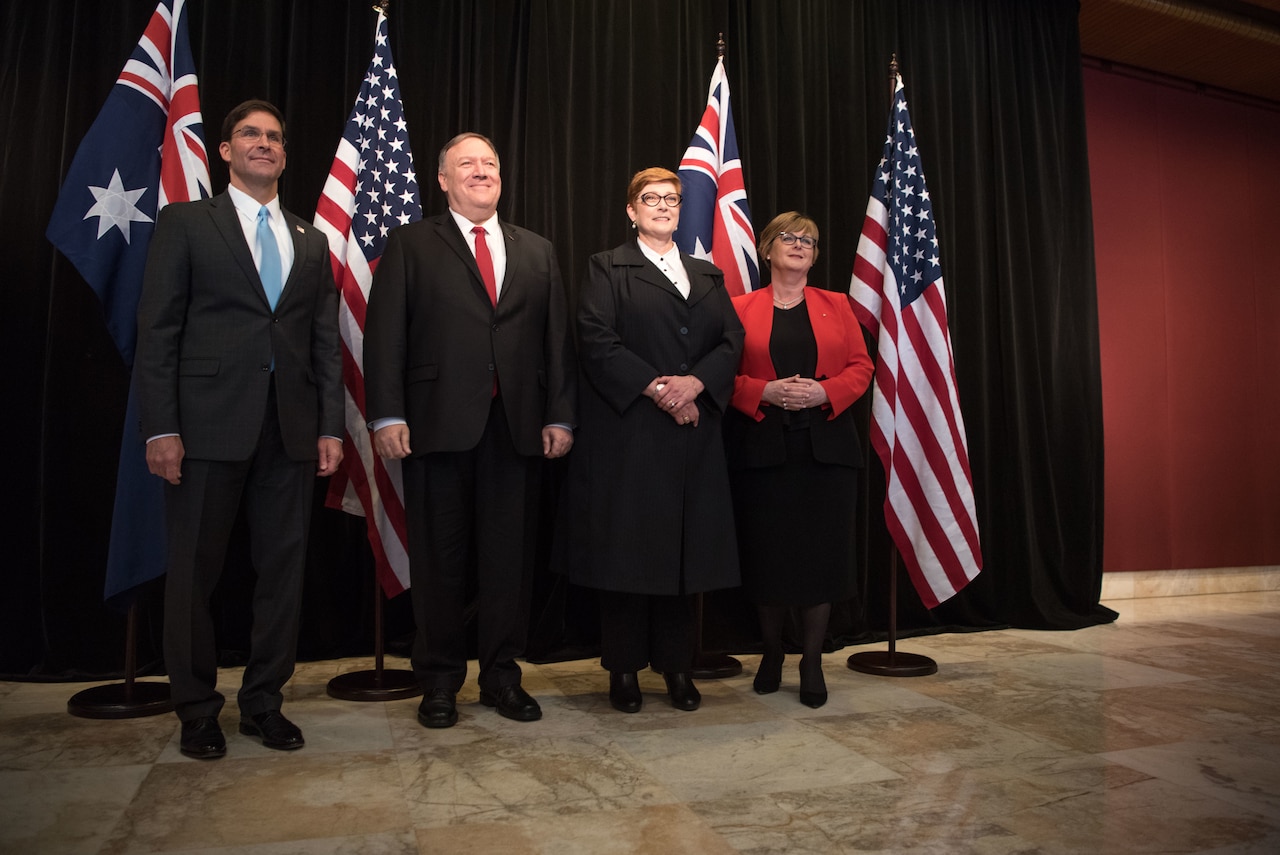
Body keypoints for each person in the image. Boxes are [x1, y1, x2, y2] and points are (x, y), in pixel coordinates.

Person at [135, 100, 344, 759]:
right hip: (203, 429)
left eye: (275, 137)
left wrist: (330, 427)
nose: (264, 144)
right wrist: (160, 426)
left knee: (282, 572)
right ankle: (196, 709)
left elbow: (323, 347)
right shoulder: (186, 223)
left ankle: (263, 703)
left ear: (284, 154)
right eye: (250, 135)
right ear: (224, 150)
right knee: (194, 573)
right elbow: (158, 331)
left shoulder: (311, 239)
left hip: (290, 432)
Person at [363, 132, 576, 729]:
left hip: (517, 430)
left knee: (509, 563)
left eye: (489, 164)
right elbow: (385, 337)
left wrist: (559, 413)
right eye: (467, 164)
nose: (480, 172)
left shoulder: (537, 250)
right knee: (440, 561)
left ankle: (502, 678)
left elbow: (556, 340)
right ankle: (437, 681)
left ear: (501, 178)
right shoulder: (410, 243)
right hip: (435, 428)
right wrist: (387, 413)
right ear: (443, 179)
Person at [559, 167, 743, 713]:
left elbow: (732, 341)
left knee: (685, 560)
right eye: (650, 198)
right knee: (627, 558)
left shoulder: (707, 274)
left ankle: (678, 669)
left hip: (694, 437)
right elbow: (596, 339)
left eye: (672, 198)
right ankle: (623, 672)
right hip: (630, 437)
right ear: (631, 211)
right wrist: (661, 389)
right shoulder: (606, 267)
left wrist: (697, 385)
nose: (663, 206)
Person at [725, 212, 873, 708]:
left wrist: (824, 393)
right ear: (767, 249)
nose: (798, 245)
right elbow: (721, 375)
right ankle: (771, 652)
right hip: (764, 450)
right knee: (768, 558)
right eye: (787, 238)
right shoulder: (740, 307)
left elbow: (862, 367)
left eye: (807, 239)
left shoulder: (838, 304)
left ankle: (811, 659)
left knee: (821, 559)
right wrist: (762, 390)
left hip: (826, 452)